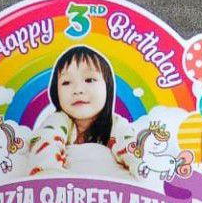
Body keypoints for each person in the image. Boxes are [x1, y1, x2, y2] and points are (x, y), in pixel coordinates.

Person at [27, 46, 140, 177]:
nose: (78, 90)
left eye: (89, 80)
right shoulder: (56, 121)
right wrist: (49, 178)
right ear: (55, 91)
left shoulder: (117, 125)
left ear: (108, 88)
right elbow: (44, 150)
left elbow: (134, 154)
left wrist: (141, 171)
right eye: (66, 82)